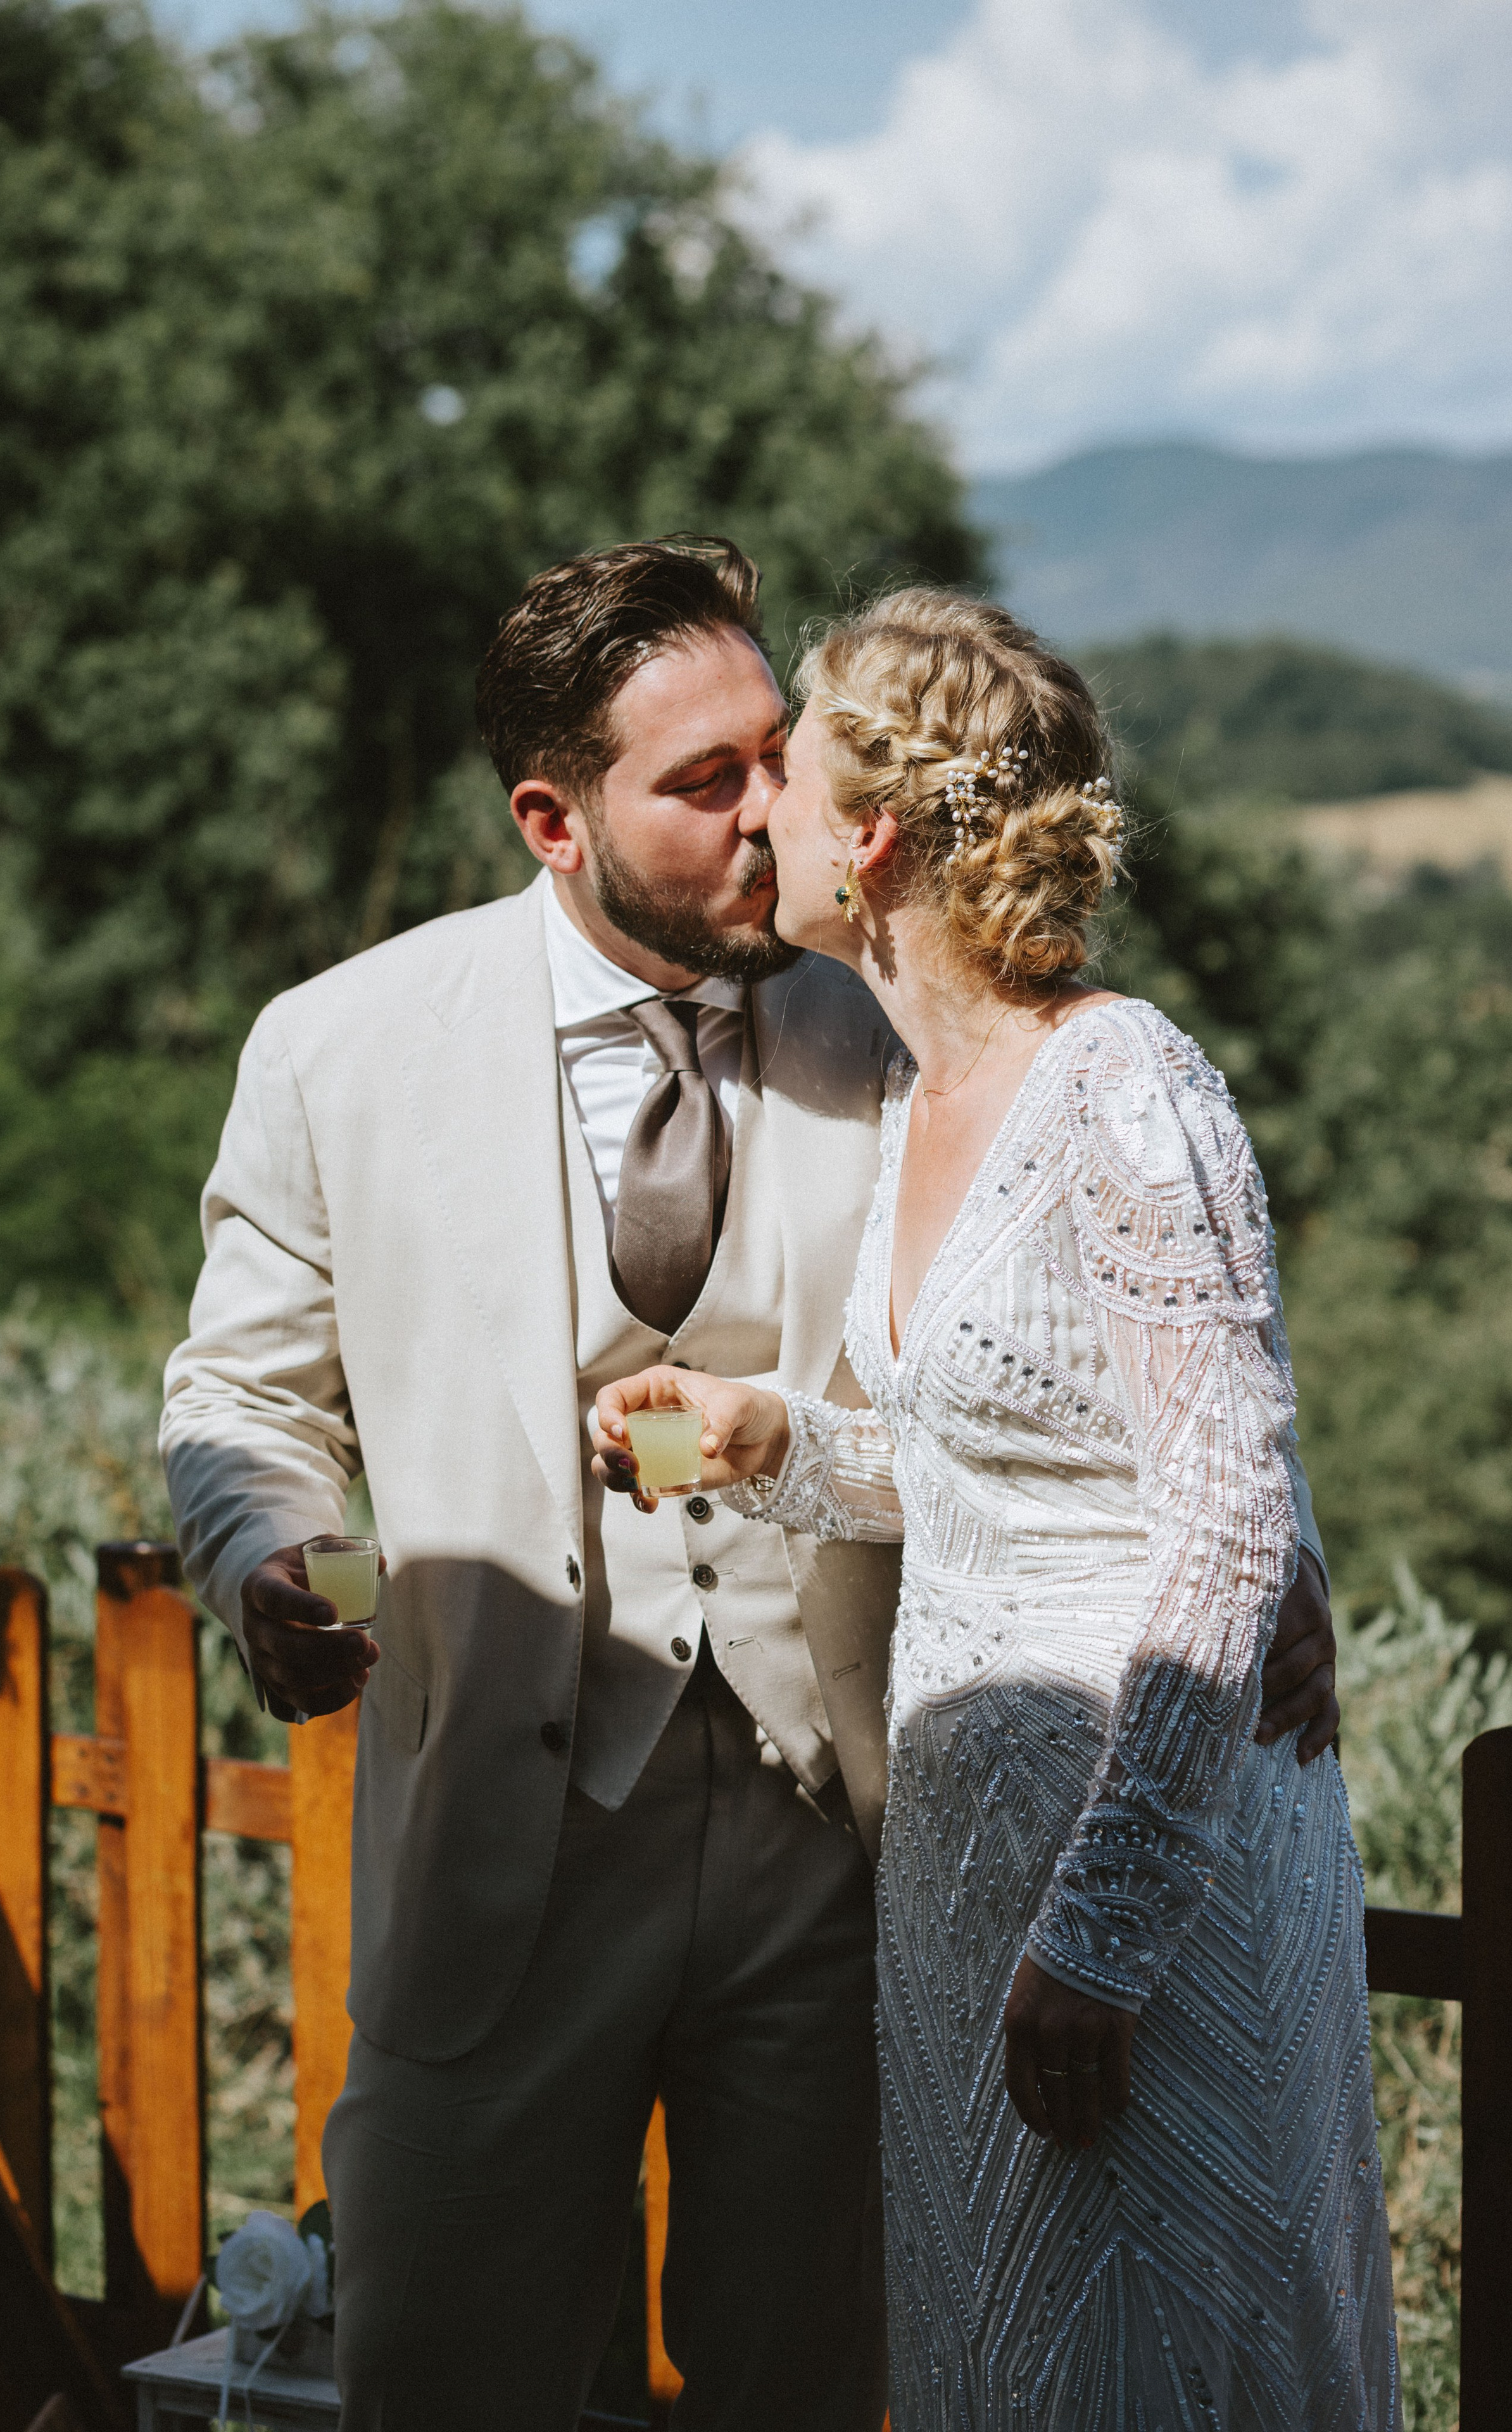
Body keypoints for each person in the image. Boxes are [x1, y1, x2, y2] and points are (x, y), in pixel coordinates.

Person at [160, 542, 1342, 2432]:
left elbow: (1146, 1350)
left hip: (847, 1839)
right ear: (556, 817)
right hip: (503, 1842)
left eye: (774, 754)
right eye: (702, 782)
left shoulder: (896, 1009)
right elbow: (237, 1389)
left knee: (807, 2370)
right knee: (453, 2370)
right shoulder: (339, 1048)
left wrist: (1281, 1557)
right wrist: (259, 1555)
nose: (765, 807)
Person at [592, 588, 1397, 2431]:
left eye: (784, 764)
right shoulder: (927, 1099)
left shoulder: (1128, 1088)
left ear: (866, 837)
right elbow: (980, 1471)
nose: (758, 805)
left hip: (1136, 1904)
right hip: (969, 1893)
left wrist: (1101, 1937)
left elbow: (1217, 1518)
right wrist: (762, 1437)